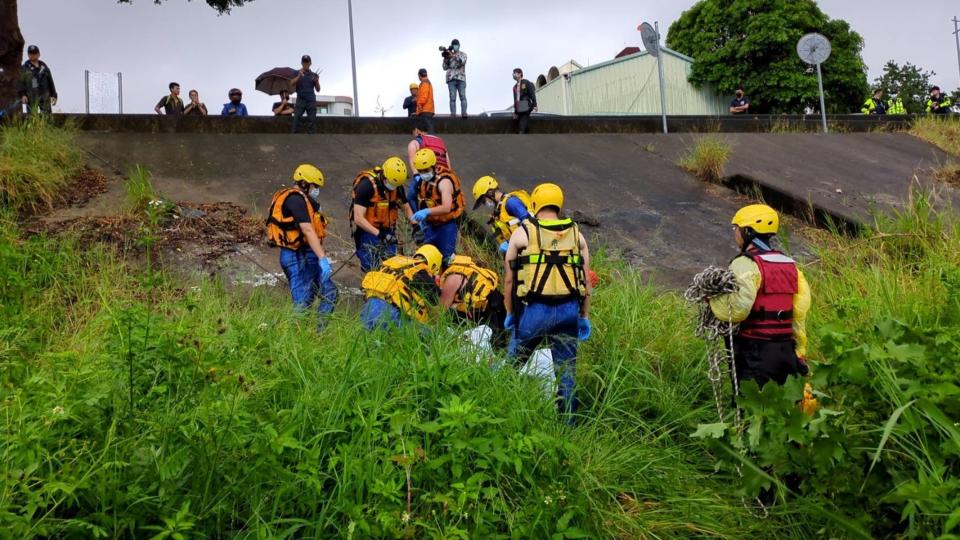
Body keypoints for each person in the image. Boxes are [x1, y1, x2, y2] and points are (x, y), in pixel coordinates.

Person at [504, 183, 592, 418]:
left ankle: (497, 407)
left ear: (534, 204)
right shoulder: (576, 234)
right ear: (558, 205)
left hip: (534, 311)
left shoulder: (522, 233)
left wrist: (510, 313)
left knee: (512, 365)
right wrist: (583, 316)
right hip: (568, 312)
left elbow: (509, 282)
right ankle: (569, 425)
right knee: (566, 373)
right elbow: (586, 283)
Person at [708, 204, 811, 389]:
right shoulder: (790, 265)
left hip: (755, 352)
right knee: (783, 409)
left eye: (736, 228)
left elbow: (737, 309)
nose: (735, 233)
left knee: (751, 408)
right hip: (786, 350)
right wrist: (799, 350)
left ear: (748, 231)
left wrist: (712, 299)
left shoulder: (745, 263)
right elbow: (800, 311)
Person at [265, 164, 337, 326]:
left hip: (307, 252)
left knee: (330, 293)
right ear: (305, 184)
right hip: (295, 256)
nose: (316, 190)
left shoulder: (305, 200)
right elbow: (308, 230)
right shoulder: (295, 200)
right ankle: (294, 337)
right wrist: (323, 259)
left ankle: (320, 333)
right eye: (315, 186)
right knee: (302, 303)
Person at [351, 157, 415, 273]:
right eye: (392, 184)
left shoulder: (396, 185)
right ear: (384, 177)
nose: (394, 187)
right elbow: (358, 218)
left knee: (392, 265)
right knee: (371, 266)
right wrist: (380, 235)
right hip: (368, 232)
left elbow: (405, 207)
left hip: (387, 230)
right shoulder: (367, 186)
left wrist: (415, 225)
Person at [360, 245, 443, 330]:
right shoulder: (421, 272)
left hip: (367, 312)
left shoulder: (393, 262)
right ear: (433, 266)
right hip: (391, 315)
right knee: (431, 333)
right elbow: (436, 315)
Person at [410, 148, 465, 264]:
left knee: (446, 259)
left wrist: (426, 212)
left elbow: (446, 207)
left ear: (434, 166)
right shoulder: (423, 181)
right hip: (430, 226)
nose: (424, 174)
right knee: (426, 258)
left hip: (447, 226)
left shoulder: (444, 182)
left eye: (426, 170)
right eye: (421, 171)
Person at [440, 255, 505, 333]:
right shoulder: (468, 269)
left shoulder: (452, 278)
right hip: (499, 308)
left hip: (484, 318)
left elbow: (441, 310)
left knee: (449, 313)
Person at [471, 175, 531, 253]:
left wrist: (513, 243)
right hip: (519, 251)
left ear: (490, 193)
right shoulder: (498, 211)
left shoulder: (511, 202)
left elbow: (530, 225)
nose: (484, 204)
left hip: (529, 247)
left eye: (483, 201)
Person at [19, 45, 57, 114]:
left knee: (47, 117)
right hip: (31, 98)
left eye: (34, 53)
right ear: (28, 54)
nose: (33, 55)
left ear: (38, 54)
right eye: (31, 53)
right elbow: (21, 83)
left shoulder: (44, 67)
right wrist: (23, 95)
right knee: (32, 117)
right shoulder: (24, 68)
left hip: (45, 97)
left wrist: (54, 94)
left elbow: (50, 81)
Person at [291, 54, 321, 133]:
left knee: (312, 119)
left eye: (307, 62)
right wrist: (298, 76)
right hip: (300, 99)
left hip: (311, 100)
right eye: (304, 62)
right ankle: (296, 136)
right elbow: (291, 83)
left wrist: (317, 81)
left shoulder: (314, 75)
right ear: (301, 63)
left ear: (310, 63)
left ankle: (312, 137)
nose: (305, 64)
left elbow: (318, 89)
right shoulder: (296, 72)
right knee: (297, 118)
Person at [442, 38, 468, 118]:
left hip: (461, 78)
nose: (455, 46)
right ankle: (453, 114)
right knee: (452, 97)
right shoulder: (449, 55)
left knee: (462, 96)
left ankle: (464, 113)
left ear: (459, 45)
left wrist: (453, 55)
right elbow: (444, 67)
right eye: (454, 45)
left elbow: (462, 61)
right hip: (451, 79)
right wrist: (446, 58)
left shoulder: (463, 54)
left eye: (456, 44)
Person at [512, 68, 537, 134]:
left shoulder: (526, 82)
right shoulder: (514, 87)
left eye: (515, 73)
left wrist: (535, 105)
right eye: (513, 73)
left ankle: (522, 133)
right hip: (519, 107)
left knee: (522, 125)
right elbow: (515, 100)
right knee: (524, 124)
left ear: (520, 74)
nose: (513, 74)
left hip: (526, 105)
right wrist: (515, 112)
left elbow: (532, 93)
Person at [415, 68, 435, 134]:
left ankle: (431, 142)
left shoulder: (424, 83)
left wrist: (419, 103)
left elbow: (424, 96)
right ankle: (429, 141)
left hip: (425, 109)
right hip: (427, 109)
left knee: (428, 128)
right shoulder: (427, 82)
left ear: (419, 75)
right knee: (427, 128)